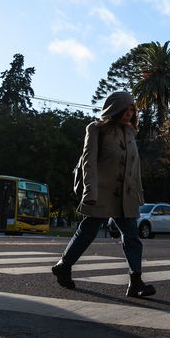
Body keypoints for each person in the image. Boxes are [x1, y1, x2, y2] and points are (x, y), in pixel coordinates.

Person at [52, 91, 155, 298]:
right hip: (101, 192)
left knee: (132, 236)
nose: (129, 113)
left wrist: (138, 194)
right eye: (125, 109)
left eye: (132, 109)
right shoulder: (96, 129)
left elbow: (135, 168)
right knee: (88, 232)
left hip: (125, 196)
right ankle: (64, 265)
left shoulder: (130, 132)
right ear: (114, 109)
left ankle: (135, 282)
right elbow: (88, 161)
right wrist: (90, 190)